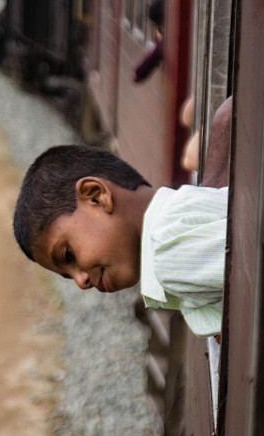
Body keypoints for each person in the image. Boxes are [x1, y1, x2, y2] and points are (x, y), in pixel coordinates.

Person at [12, 98, 232, 338]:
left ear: (96, 196)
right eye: (68, 275)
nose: (81, 281)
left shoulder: (167, 253)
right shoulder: (179, 222)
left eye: (68, 255)